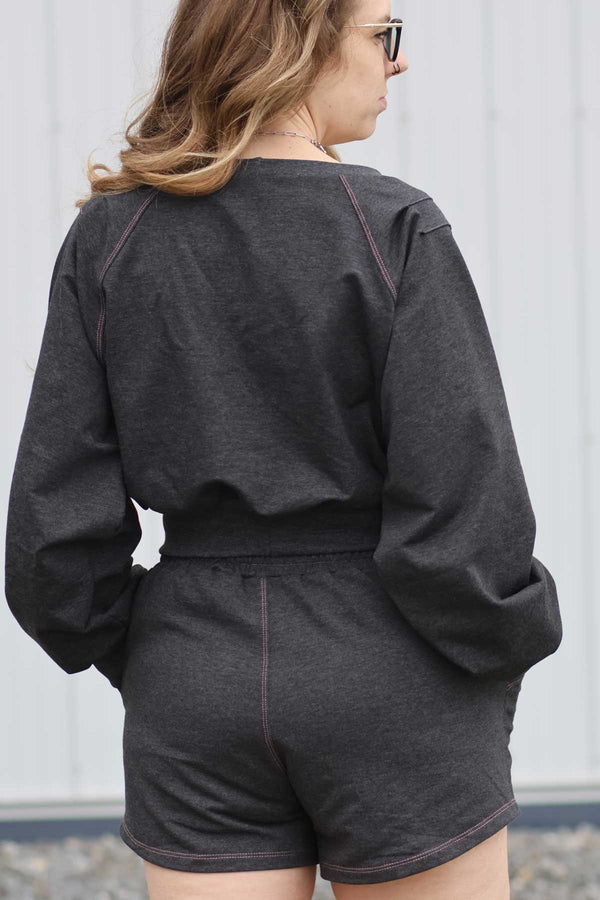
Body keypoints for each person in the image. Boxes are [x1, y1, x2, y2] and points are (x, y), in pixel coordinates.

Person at [4, 0, 563, 898]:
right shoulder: (392, 225)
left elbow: (54, 524)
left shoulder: (111, 237)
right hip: (393, 666)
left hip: (194, 667)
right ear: (300, 38)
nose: (398, 60)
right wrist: (505, 642)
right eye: (383, 33)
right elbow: (465, 499)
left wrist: (153, 650)